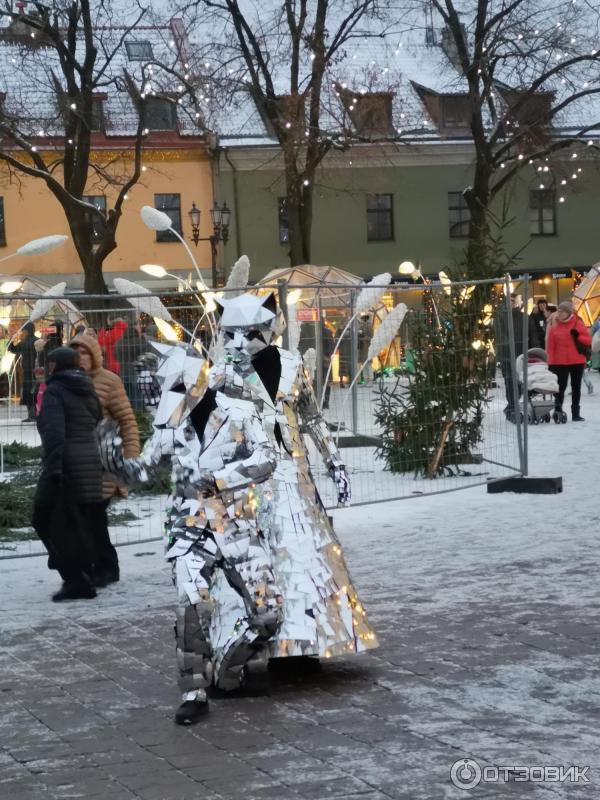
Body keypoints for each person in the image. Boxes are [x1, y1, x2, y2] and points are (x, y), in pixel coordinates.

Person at [142, 292, 377, 725]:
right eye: (230, 333)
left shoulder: (291, 365)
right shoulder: (218, 374)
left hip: (293, 478)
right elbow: (201, 421)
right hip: (244, 487)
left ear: (270, 329)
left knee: (304, 560)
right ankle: (246, 651)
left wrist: (336, 464)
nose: (240, 342)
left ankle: (304, 646)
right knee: (252, 569)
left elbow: (310, 418)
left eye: (250, 333)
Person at [69, 333, 140, 585]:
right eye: (76, 353)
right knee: (82, 519)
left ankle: (107, 568)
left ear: (95, 354)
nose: (81, 358)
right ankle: (93, 566)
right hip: (76, 464)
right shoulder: (68, 382)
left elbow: (127, 421)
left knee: (95, 516)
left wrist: (130, 457)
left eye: (85, 352)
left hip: (103, 461)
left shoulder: (109, 381)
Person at [32, 347, 103, 601]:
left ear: (57, 366)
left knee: (45, 519)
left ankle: (74, 577)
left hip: (65, 465)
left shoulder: (55, 390)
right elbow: (97, 417)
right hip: (89, 462)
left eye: (50, 363)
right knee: (77, 523)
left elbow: (54, 434)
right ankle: (83, 574)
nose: (47, 368)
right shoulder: (86, 387)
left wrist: (53, 469)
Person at [546, 300, 591, 422]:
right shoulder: (554, 324)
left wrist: (577, 336)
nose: (559, 313)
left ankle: (576, 413)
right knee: (560, 387)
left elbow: (588, 341)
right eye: (558, 311)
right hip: (559, 362)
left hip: (577, 360)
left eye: (562, 311)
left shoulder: (578, 323)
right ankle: (558, 410)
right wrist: (549, 362)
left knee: (576, 387)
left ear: (568, 312)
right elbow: (550, 346)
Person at [495, 294, 525, 422]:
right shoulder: (500, 316)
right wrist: (509, 346)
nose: (514, 303)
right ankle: (513, 407)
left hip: (521, 355)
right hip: (506, 355)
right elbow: (500, 335)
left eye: (516, 301)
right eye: (511, 301)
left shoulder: (522, 316)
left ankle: (511, 406)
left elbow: (529, 331)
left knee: (519, 384)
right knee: (510, 383)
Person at [114, 318, 147, 410]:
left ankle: (128, 412)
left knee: (126, 395)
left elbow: (115, 356)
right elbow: (146, 356)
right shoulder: (140, 342)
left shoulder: (119, 342)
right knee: (137, 396)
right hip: (137, 372)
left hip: (123, 371)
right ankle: (139, 415)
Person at [8, 321, 37, 422]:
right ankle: (35, 414)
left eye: (24, 330)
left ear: (26, 331)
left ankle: (31, 415)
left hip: (27, 372)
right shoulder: (37, 341)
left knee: (28, 393)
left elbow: (12, 349)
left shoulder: (24, 342)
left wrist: (11, 339)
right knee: (36, 392)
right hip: (37, 371)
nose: (23, 332)